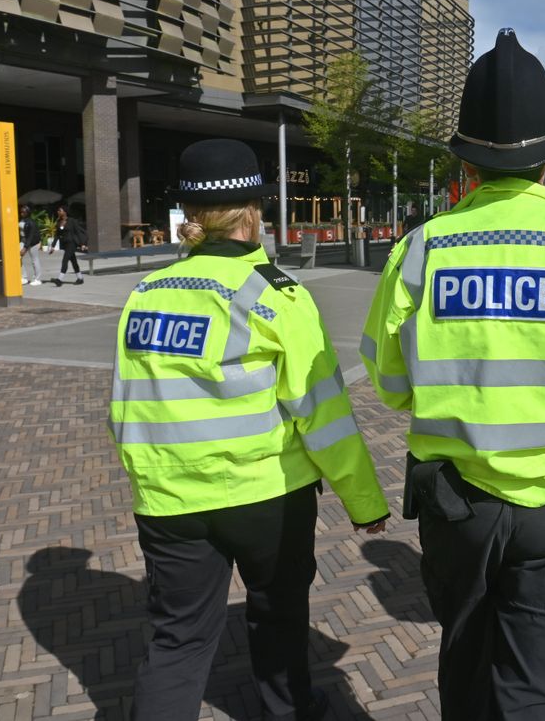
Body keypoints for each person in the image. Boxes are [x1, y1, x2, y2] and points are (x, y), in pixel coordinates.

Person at [361, 28, 545, 720]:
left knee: (463, 659)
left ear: (465, 161)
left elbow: (389, 383)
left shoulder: (420, 250)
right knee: (530, 682)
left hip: (455, 505)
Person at [109, 138, 390, 721]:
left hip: (170, 500)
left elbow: (126, 405)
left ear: (192, 215)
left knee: (177, 641)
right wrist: (364, 502)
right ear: (254, 212)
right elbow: (323, 414)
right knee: (280, 616)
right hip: (267, 498)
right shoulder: (276, 296)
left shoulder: (145, 295)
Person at [49, 204, 87, 285]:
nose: (58, 212)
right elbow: (57, 235)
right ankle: (80, 278)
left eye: (60, 210)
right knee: (73, 261)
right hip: (65, 244)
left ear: (65, 212)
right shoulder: (59, 222)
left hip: (72, 243)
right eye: (58, 210)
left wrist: (82, 244)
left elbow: (78, 232)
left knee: (65, 260)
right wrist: (53, 246)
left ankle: (59, 280)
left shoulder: (72, 221)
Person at [18, 204, 43, 286]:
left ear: (28, 213)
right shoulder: (21, 220)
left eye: (23, 212)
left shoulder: (31, 222)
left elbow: (30, 236)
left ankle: (37, 279)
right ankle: (24, 277)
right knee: (17, 257)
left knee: (34, 260)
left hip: (33, 242)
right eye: (21, 211)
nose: (21, 213)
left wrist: (25, 248)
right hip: (23, 240)